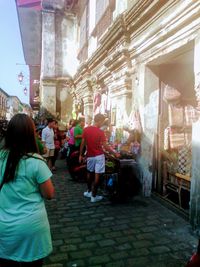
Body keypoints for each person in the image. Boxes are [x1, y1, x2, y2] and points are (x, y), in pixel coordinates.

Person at [0, 113, 54, 267]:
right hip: (31, 229)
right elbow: (49, 194)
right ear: (31, 134)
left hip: (4, 228)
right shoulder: (36, 161)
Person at [79, 113, 120, 203]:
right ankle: (93, 196)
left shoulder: (86, 129)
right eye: (102, 122)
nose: (102, 124)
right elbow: (105, 146)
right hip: (99, 156)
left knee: (89, 173)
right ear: (100, 121)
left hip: (90, 156)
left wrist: (81, 155)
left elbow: (83, 143)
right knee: (97, 176)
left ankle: (89, 191)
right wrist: (114, 153)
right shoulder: (100, 132)